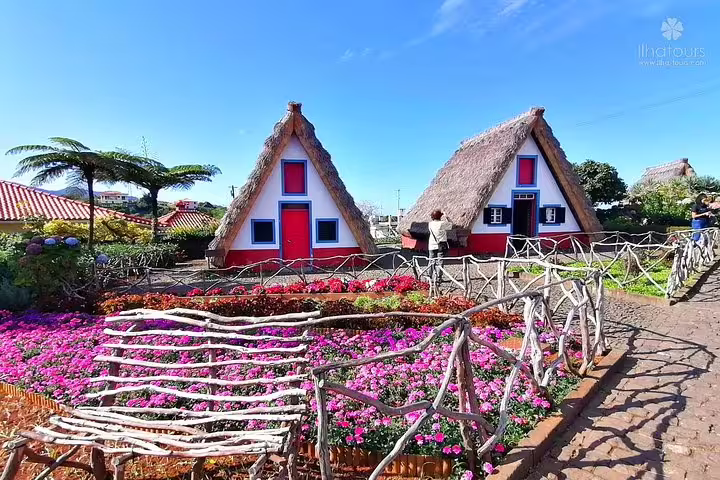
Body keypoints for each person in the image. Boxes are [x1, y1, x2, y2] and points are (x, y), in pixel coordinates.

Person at [428, 209, 452, 282]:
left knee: (431, 261)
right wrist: (446, 216)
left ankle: (429, 276)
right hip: (441, 245)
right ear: (440, 216)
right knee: (440, 261)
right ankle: (439, 277)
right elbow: (451, 224)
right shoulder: (442, 223)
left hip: (432, 245)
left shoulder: (430, 224)